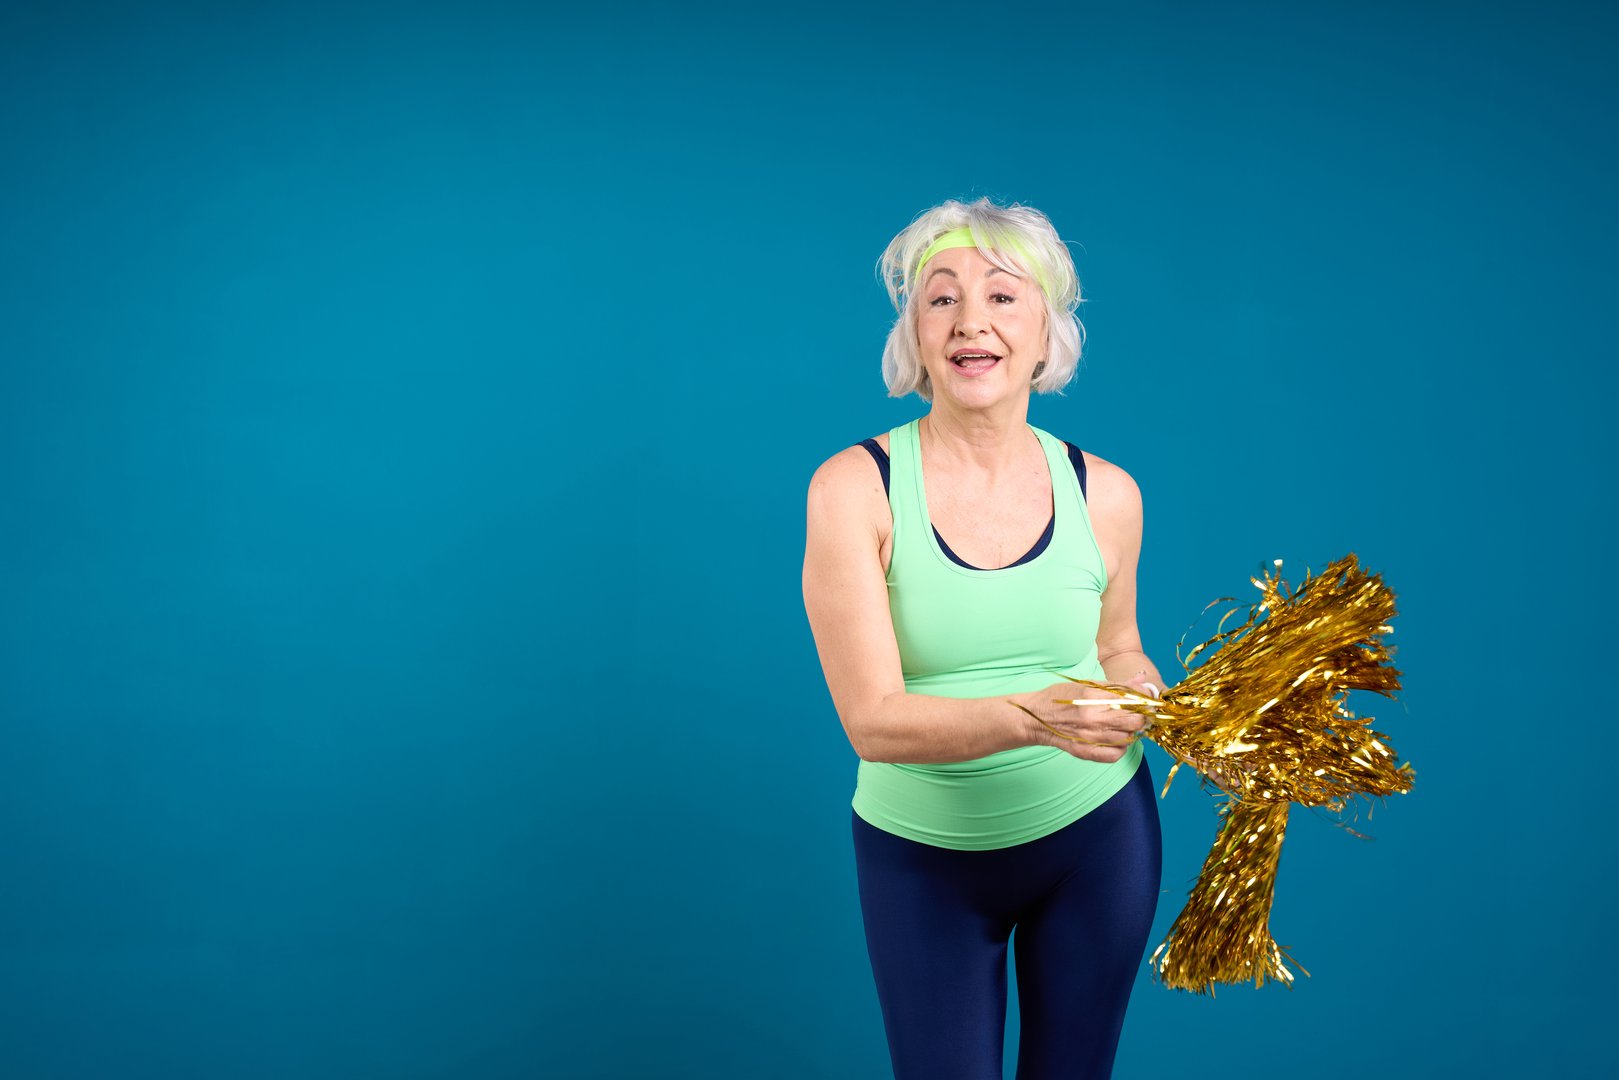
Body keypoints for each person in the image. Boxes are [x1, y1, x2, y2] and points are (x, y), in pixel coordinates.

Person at [802, 198, 1167, 1080]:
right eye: (941, 299)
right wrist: (1036, 719)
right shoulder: (854, 489)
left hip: (1096, 838)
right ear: (915, 339)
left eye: (1005, 297)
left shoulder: (1107, 493)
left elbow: (1118, 643)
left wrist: (1141, 686)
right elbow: (873, 722)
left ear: (1046, 336)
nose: (973, 321)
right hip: (921, 863)